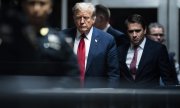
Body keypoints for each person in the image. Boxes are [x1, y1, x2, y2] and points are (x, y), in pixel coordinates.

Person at [0, 0, 80, 87]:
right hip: (17, 96)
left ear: (50, 7)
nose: (36, 9)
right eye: (31, 3)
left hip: (51, 97)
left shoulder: (60, 41)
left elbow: (73, 75)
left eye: (42, 4)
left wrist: (56, 91)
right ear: (23, 6)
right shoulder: (11, 40)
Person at [60, 2, 120, 88]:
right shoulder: (63, 36)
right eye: (78, 17)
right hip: (67, 93)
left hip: (96, 95)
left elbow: (113, 75)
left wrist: (109, 97)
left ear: (93, 19)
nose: (82, 21)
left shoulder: (107, 40)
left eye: (86, 18)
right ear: (73, 18)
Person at [117, 14, 178, 88]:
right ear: (127, 32)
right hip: (126, 96)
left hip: (149, 97)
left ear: (145, 30)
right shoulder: (120, 50)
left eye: (138, 31)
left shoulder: (158, 49)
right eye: (131, 31)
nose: (134, 34)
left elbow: (168, 79)